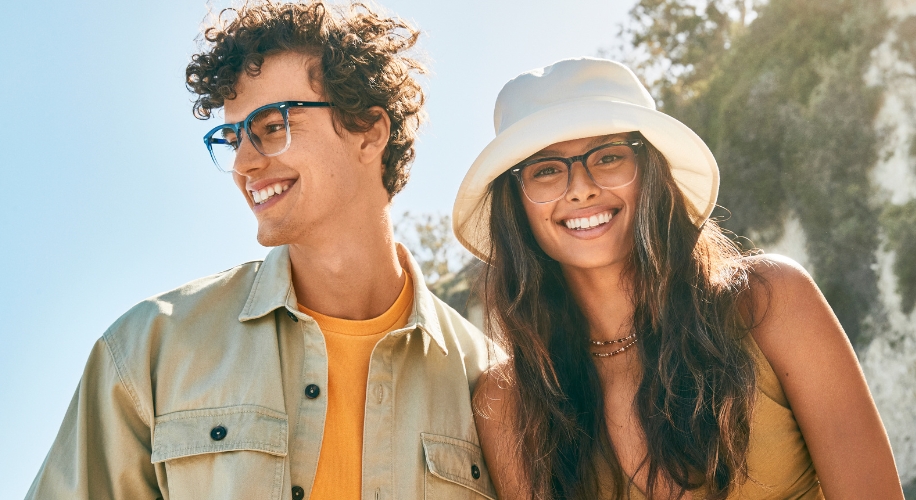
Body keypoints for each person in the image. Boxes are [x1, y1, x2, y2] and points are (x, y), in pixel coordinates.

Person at [26, 2, 497, 499]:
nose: (245, 164)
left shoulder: (490, 382)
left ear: (369, 130)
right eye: (232, 139)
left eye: (272, 127)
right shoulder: (149, 349)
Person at [452, 57, 904, 499]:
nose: (581, 186)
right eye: (546, 169)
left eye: (608, 157)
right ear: (516, 203)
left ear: (651, 171)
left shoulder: (770, 303)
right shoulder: (508, 405)